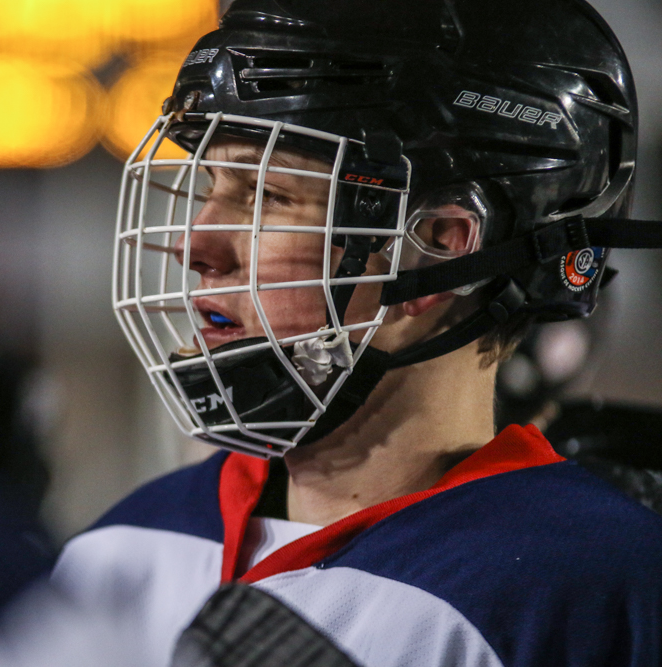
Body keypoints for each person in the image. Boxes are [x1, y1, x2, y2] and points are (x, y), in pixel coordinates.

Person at [52, 1, 662, 665]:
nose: (194, 243)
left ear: (440, 249)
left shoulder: (592, 591)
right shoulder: (120, 547)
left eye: (266, 196)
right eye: (208, 185)